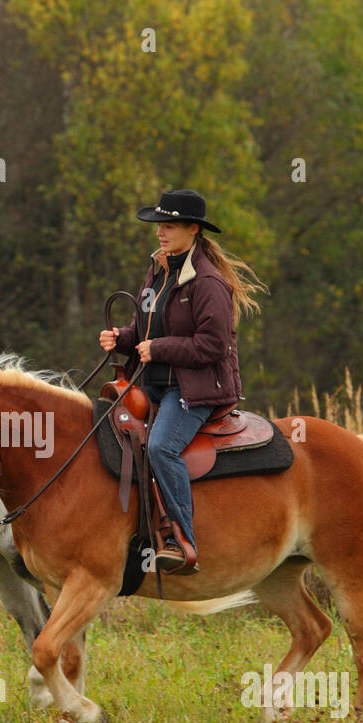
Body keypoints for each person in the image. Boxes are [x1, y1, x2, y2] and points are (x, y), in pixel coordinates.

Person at [98, 188, 266, 574]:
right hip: (155, 383)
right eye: (160, 225)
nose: (161, 232)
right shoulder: (159, 271)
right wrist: (122, 338)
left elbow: (212, 345)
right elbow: (145, 328)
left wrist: (159, 349)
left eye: (170, 225)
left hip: (195, 391)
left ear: (193, 230)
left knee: (160, 448)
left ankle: (181, 539)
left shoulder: (208, 282)